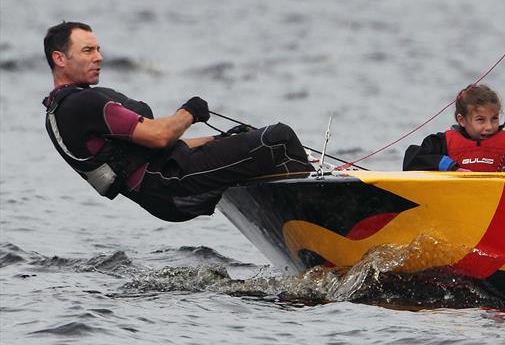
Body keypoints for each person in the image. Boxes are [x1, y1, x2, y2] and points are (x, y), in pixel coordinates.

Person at [42, 21, 312, 222]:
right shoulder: (81, 104)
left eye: (98, 49)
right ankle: (322, 224)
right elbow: (159, 136)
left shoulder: (58, 113)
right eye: (88, 50)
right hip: (172, 180)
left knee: (254, 150)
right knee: (278, 138)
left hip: (160, 195)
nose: (99, 57)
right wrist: (190, 111)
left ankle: (300, 230)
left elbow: (142, 154)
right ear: (60, 58)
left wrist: (217, 140)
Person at [403, 84, 505, 172]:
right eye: (480, 120)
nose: (489, 127)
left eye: (494, 118)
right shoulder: (442, 143)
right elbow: (411, 160)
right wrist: (450, 167)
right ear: (461, 120)